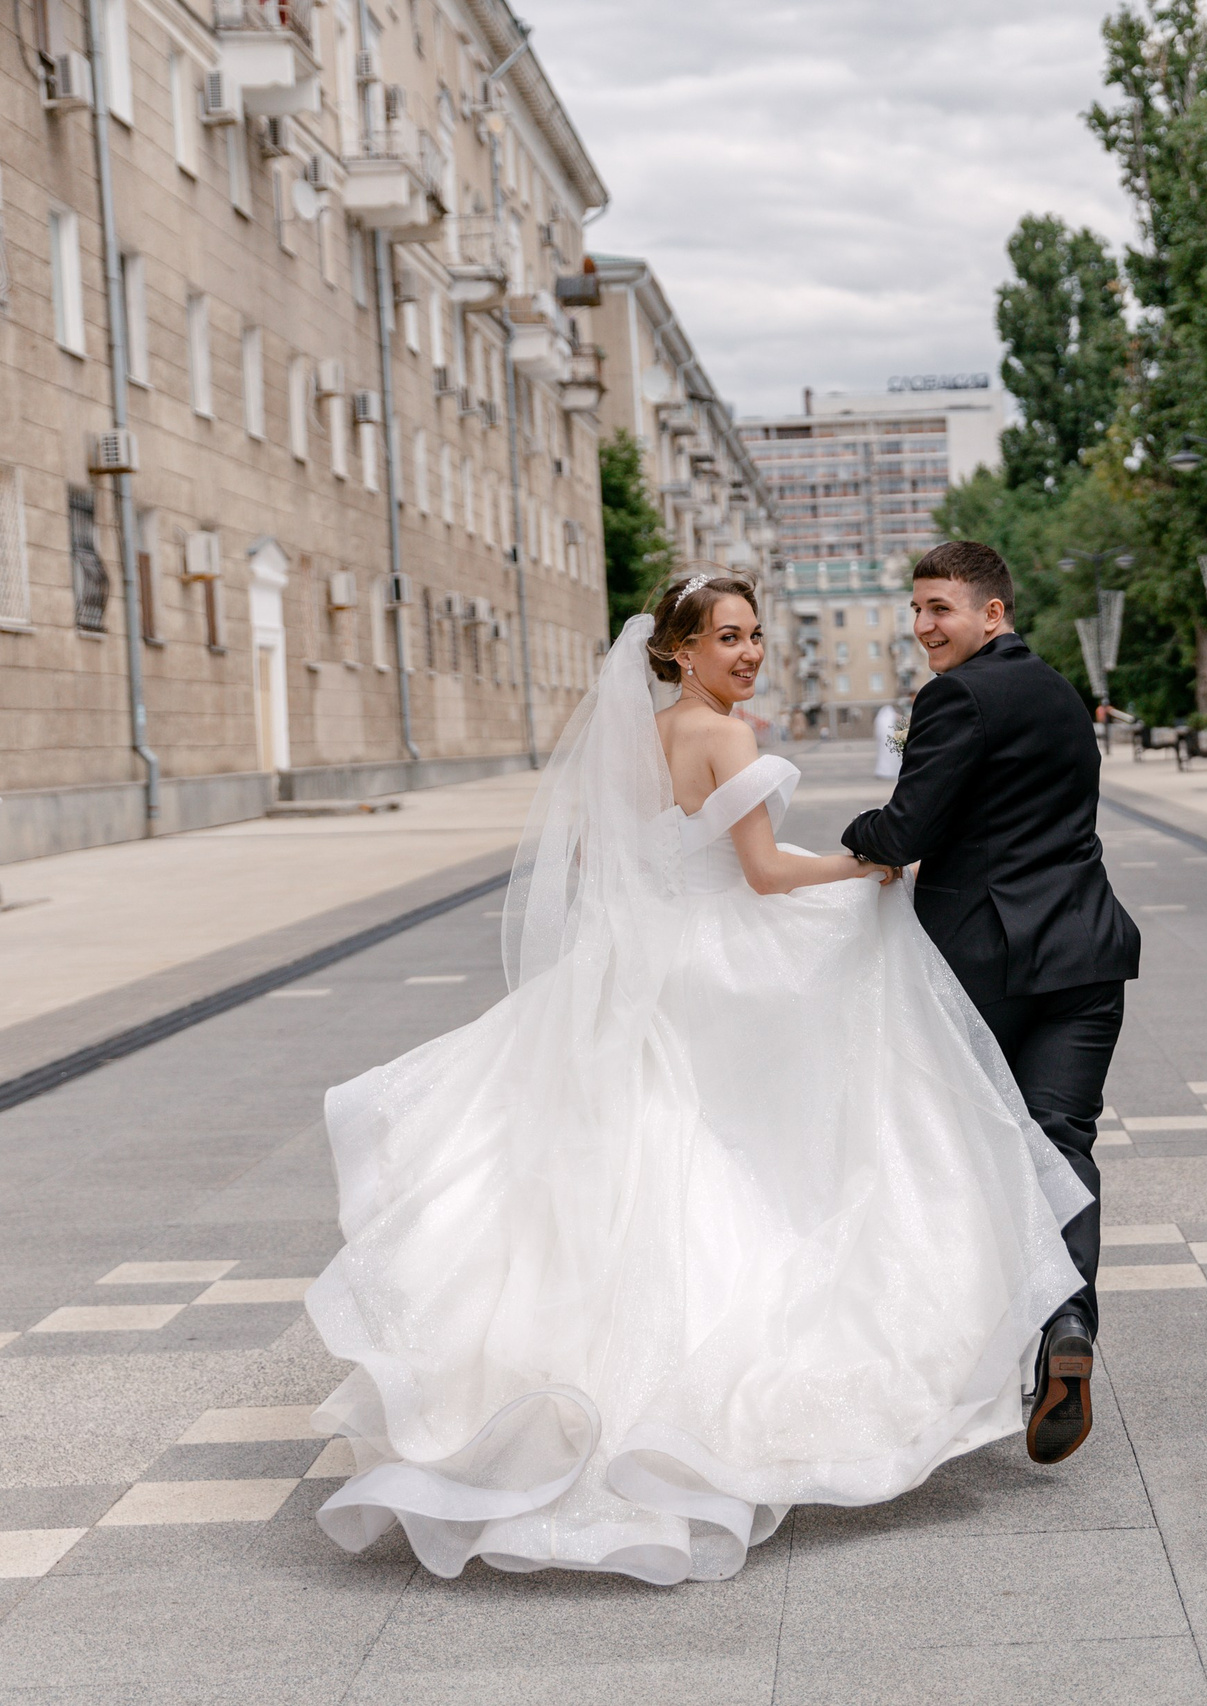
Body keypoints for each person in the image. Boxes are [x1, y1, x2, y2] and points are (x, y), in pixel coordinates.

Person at [302, 572, 1093, 1585]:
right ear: (678, 649)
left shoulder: (632, 740)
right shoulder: (723, 735)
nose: (750, 652)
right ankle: (713, 1407)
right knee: (769, 1145)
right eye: (729, 637)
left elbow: (611, 863)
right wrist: (867, 869)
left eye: (755, 634)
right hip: (715, 956)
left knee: (641, 1157)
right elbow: (762, 873)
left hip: (644, 961)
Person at [841, 541, 1140, 1468]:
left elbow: (907, 829)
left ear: (991, 614)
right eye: (919, 610)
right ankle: (1067, 1328)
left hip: (987, 964)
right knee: (1061, 1141)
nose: (926, 626)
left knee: (958, 1155)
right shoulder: (1054, 691)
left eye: (942, 609)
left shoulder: (956, 697)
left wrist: (857, 833)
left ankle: (939, 1362)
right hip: (1087, 953)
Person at [872, 701, 904, 780]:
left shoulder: (881, 718)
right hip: (890, 741)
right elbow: (900, 718)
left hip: (884, 743)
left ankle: (883, 771)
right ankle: (890, 771)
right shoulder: (890, 715)